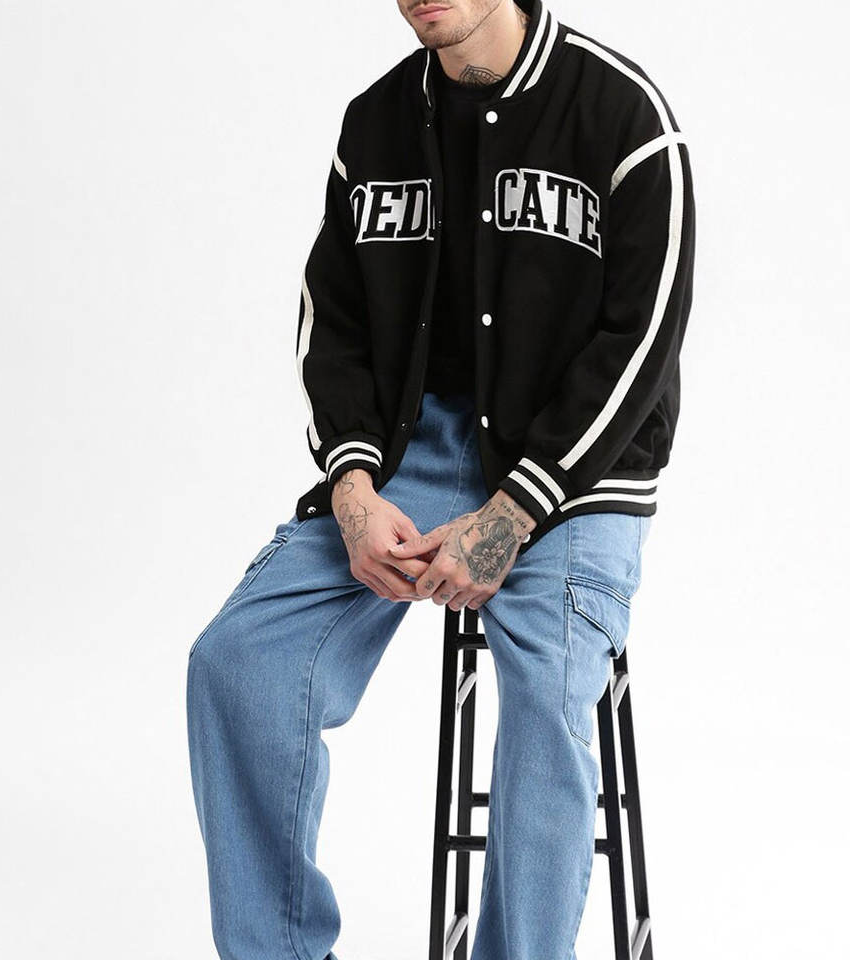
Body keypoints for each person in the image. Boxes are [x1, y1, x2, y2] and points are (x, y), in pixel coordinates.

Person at [186, 1, 695, 957]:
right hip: (409, 455)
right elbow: (332, 322)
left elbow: (644, 341)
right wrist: (351, 486)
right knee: (238, 661)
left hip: (577, 476)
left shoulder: (624, 117)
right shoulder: (375, 122)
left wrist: (516, 509)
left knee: (544, 704)